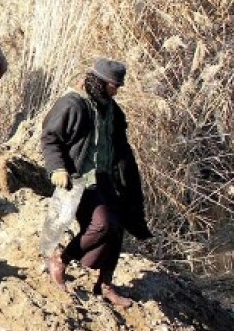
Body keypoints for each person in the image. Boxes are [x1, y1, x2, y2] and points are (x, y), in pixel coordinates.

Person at [41, 58, 152, 308]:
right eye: (114, 85)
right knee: (101, 224)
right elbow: (50, 139)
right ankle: (61, 259)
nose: (117, 90)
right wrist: (57, 168)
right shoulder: (72, 104)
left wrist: (128, 180)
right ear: (99, 82)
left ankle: (105, 284)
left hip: (106, 178)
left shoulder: (112, 110)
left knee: (118, 225)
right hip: (78, 179)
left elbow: (120, 147)